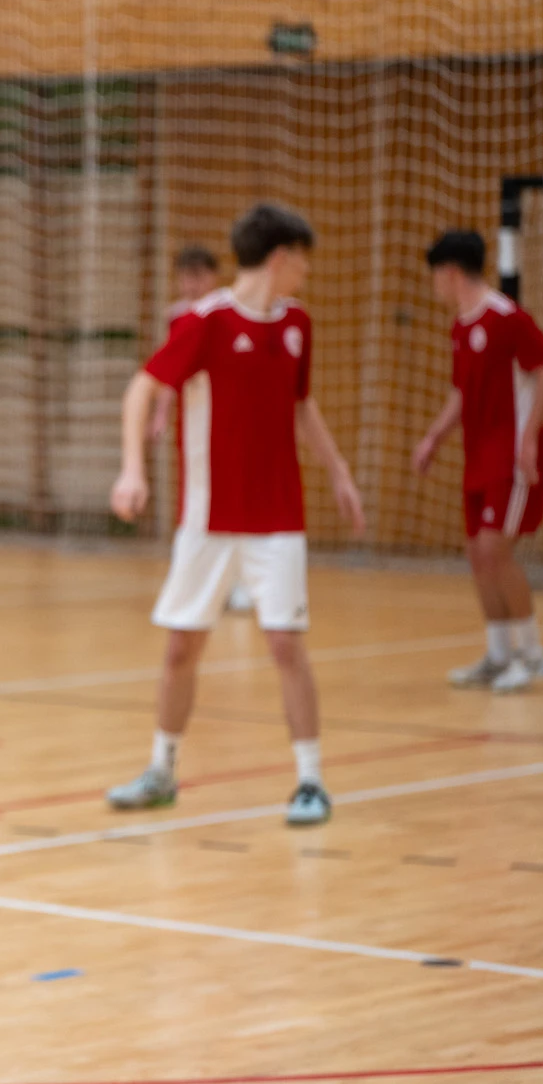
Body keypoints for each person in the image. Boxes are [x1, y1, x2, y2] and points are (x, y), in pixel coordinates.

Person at [106, 203, 366, 827]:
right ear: (280, 258)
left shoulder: (297, 324)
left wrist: (338, 471)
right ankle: (161, 771)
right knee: (181, 648)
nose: (306, 272)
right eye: (302, 259)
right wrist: (132, 469)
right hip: (208, 520)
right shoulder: (206, 322)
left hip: (277, 519)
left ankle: (310, 781)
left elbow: (301, 405)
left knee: (284, 643)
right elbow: (142, 388)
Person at [412, 230, 543, 692]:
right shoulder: (461, 326)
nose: (435, 285)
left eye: (435, 275)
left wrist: (530, 437)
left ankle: (531, 655)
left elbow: (541, 370)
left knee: (494, 550)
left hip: (511, 458)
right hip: (478, 456)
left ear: (450, 272)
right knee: (476, 555)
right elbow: (461, 393)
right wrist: (433, 438)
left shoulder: (506, 317)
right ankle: (498, 654)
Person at [148, 244, 255, 614]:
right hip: (196, 423)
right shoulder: (178, 317)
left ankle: (241, 583)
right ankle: (201, 583)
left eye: (198, 276)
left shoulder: (230, 312)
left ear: (213, 276)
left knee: (237, 498)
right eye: (185, 277)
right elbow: (168, 374)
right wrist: (161, 414)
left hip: (233, 420)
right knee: (198, 504)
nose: (192, 284)